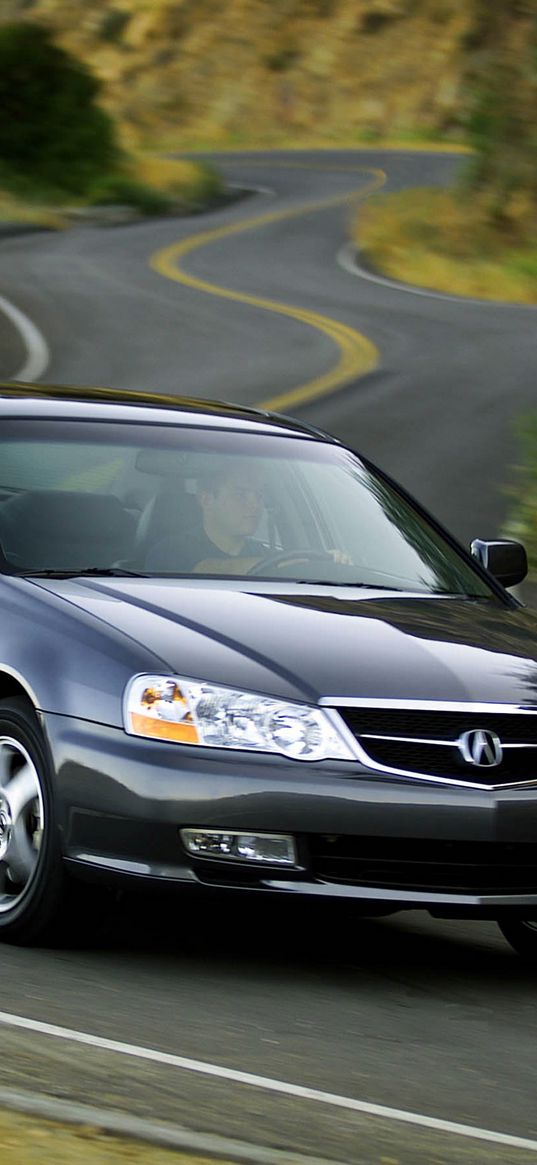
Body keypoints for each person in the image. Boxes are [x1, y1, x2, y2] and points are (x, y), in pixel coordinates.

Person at [145, 465, 267, 573]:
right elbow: (211, 570)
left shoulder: (264, 553)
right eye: (240, 495)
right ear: (206, 500)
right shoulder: (169, 551)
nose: (255, 504)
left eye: (259, 495)